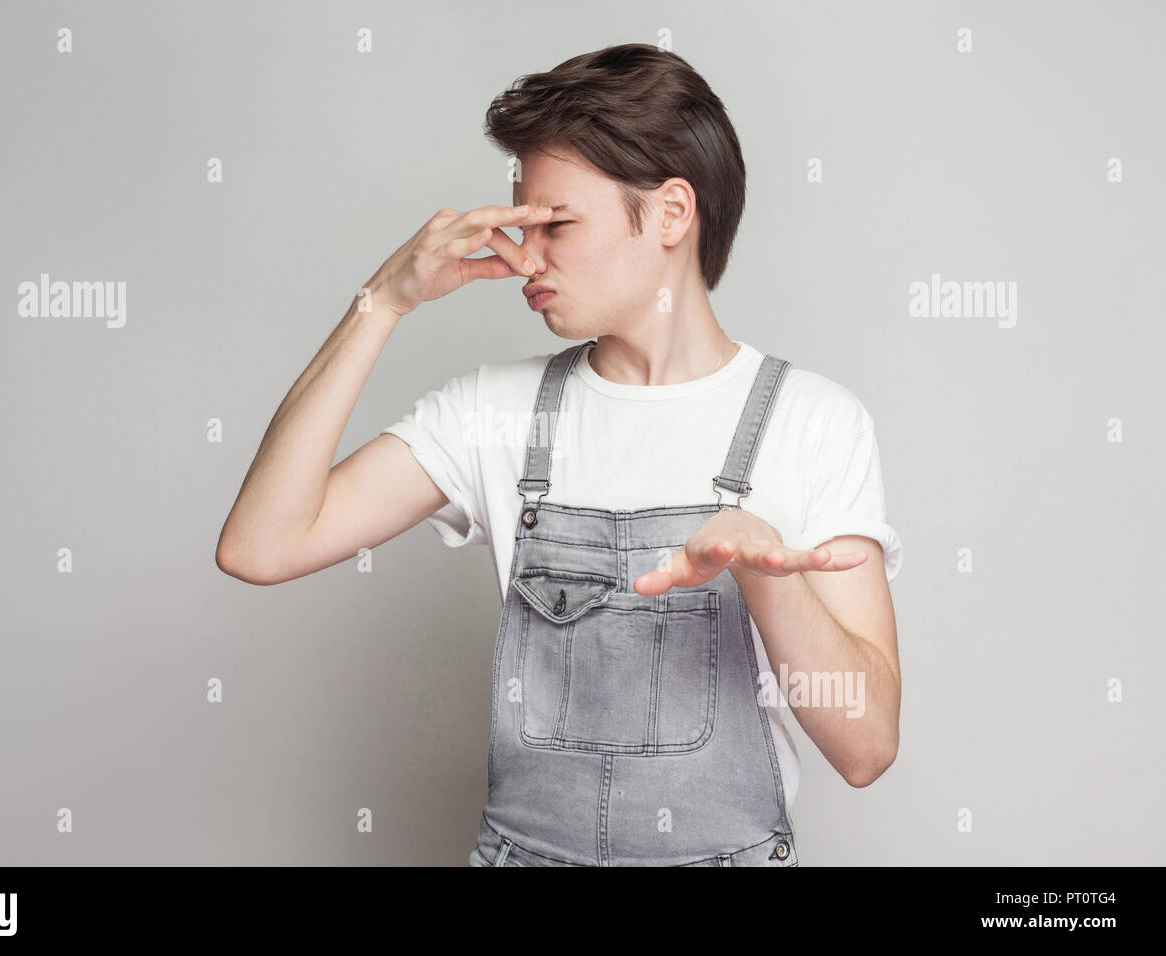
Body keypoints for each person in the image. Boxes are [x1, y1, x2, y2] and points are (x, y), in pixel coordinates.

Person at [216, 43, 902, 867]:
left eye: (558, 224)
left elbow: (867, 748)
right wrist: (382, 300)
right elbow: (259, 545)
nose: (524, 260)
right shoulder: (493, 412)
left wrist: (764, 578)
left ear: (673, 215)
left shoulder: (814, 422)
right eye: (521, 225)